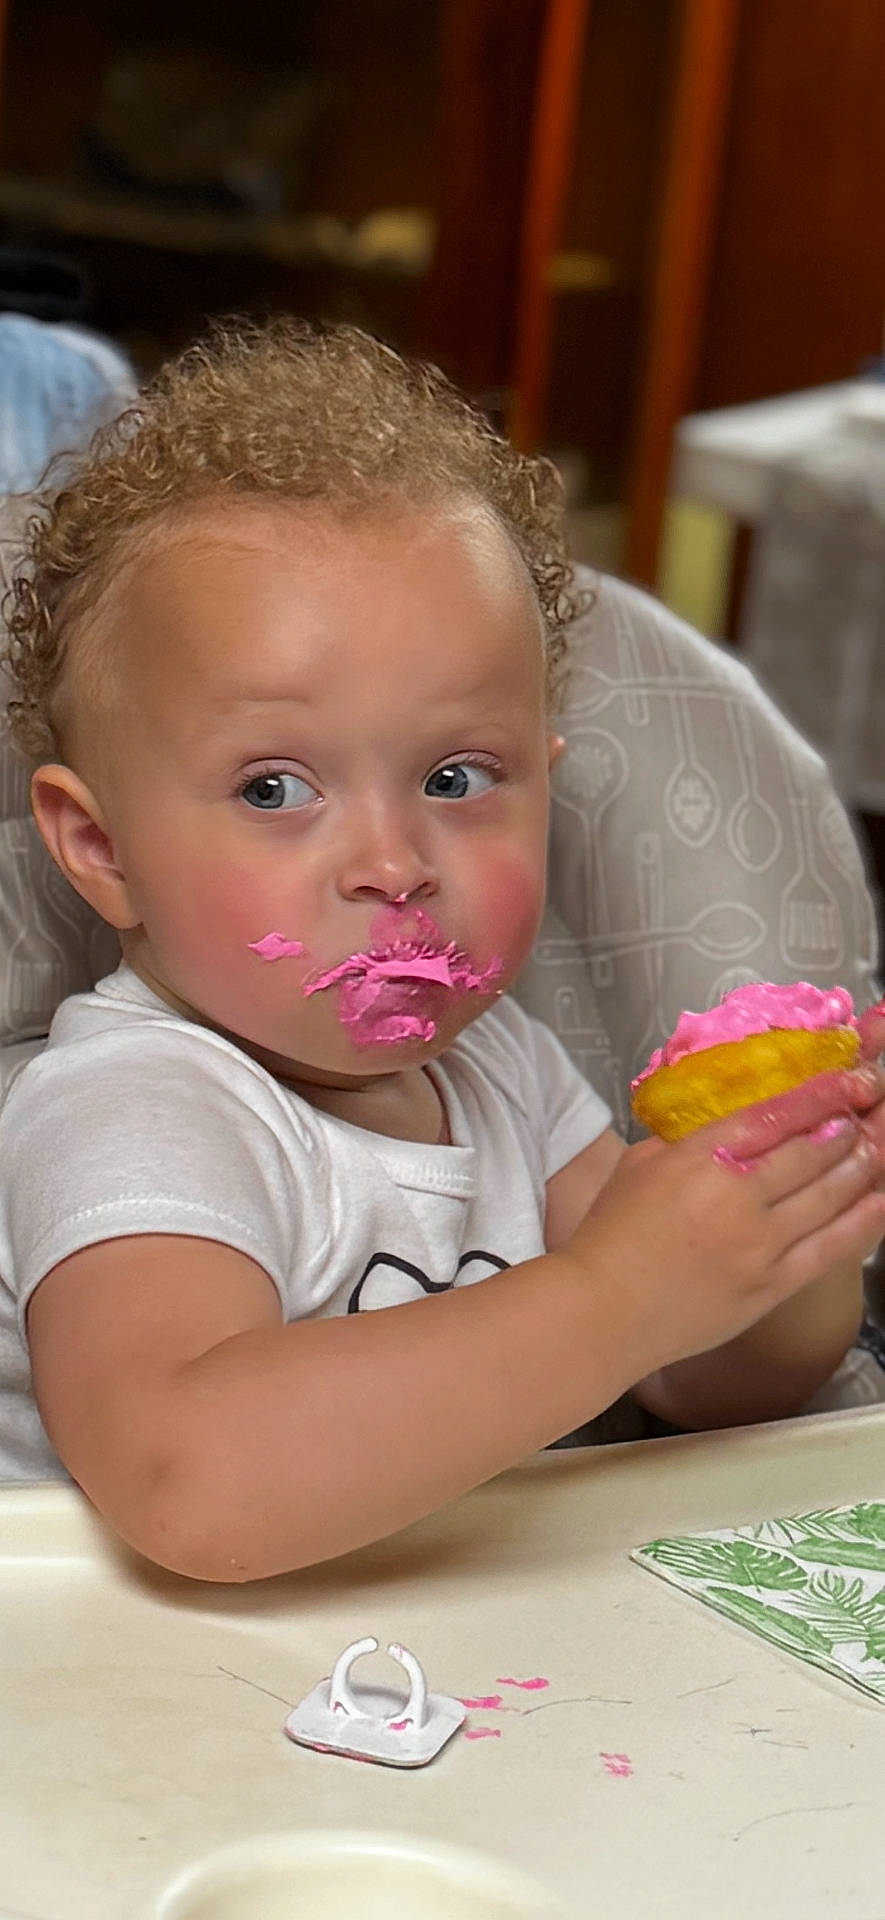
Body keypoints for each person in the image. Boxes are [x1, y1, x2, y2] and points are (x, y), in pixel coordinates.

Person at [0, 317, 883, 1583]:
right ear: (101, 848)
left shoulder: (503, 1068)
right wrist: (615, 1295)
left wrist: (791, 1226)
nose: (394, 862)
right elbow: (188, 1485)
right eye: (273, 789)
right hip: (147, 1682)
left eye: (458, 778)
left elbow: (708, 1385)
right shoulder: (133, 1106)